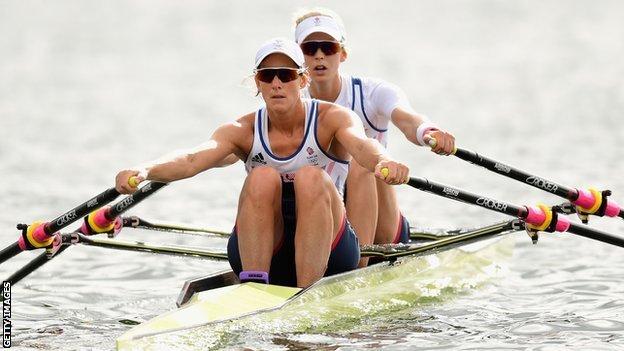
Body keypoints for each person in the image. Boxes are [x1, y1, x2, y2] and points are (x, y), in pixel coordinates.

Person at [115, 38, 410, 288]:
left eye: (286, 74)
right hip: (267, 248)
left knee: (311, 177)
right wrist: (145, 171)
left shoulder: (331, 118)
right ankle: (254, 286)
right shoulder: (240, 130)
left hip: (330, 250)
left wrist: (384, 160)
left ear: (302, 80)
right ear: (258, 82)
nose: (277, 83)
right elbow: (193, 159)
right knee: (262, 177)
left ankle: (307, 293)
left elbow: (362, 145)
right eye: (268, 76)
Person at [293, 9, 456, 266]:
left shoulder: (372, 93)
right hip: (325, 213)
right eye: (309, 48)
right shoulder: (288, 103)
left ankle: (359, 267)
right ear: (298, 56)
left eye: (328, 46)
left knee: (363, 161)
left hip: (382, 224)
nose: (319, 55)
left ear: (343, 53)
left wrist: (428, 132)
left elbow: (407, 118)